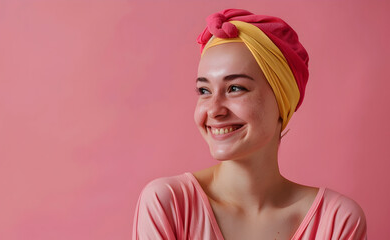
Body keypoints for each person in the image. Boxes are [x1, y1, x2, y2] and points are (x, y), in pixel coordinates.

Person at [132, 9, 367, 240]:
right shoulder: (169, 203)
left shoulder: (337, 221)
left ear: (281, 98)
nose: (214, 110)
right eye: (204, 90)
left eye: (235, 88)